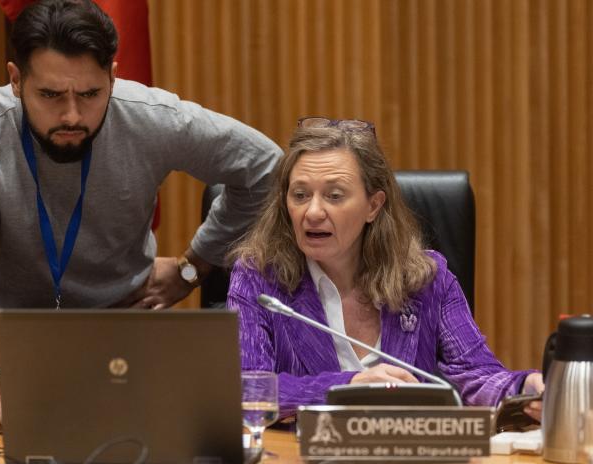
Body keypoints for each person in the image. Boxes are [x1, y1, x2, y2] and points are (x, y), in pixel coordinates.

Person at [0, 0, 281, 431]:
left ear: (112, 76)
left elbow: (266, 169)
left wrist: (196, 265)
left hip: (124, 335)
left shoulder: (150, 118)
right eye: (50, 95)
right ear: (16, 80)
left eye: (90, 94)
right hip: (3, 345)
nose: (72, 115)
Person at [226, 117, 544, 419]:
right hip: (300, 455)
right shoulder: (258, 278)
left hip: (408, 454)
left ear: (373, 205)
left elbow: (477, 375)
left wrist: (524, 388)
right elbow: (244, 391)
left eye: (334, 196)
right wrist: (347, 387)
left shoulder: (426, 278)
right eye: (300, 195)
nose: (313, 212)